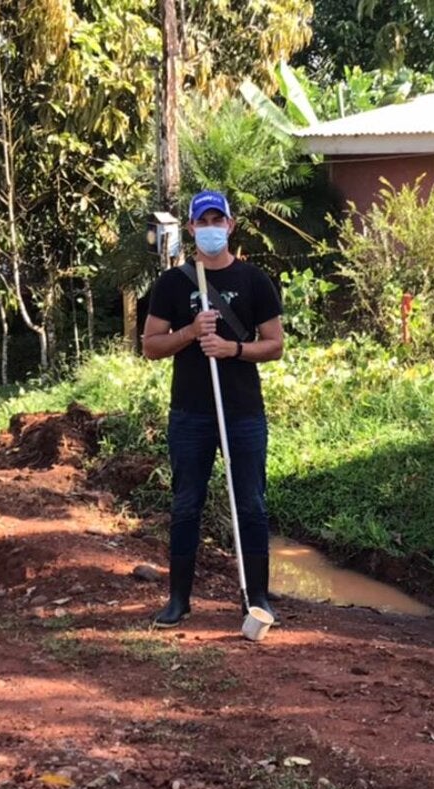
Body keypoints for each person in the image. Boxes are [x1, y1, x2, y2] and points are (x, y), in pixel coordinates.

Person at [141, 191, 284, 627]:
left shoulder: (256, 281)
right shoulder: (172, 284)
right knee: (186, 503)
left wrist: (231, 348)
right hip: (190, 413)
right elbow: (150, 346)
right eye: (202, 221)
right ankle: (179, 599)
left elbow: (274, 345)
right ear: (190, 229)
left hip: (243, 413)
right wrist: (189, 332)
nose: (210, 228)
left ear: (230, 225)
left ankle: (256, 596)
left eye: (216, 220)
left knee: (252, 504)